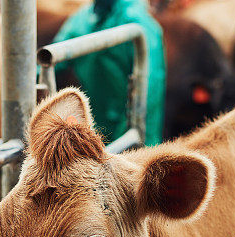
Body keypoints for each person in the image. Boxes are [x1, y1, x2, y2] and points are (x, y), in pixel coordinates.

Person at [54, 0, 165, 145]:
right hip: (95, 126)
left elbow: (150, 90)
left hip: (134, 132)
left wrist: (127, 138)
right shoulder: (82, 19)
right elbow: (51, 59)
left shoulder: (139, 23)